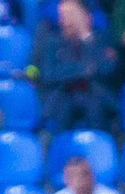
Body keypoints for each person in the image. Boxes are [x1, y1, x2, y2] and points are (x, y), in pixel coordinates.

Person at [37, 0, 116, 132]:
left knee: (93, 103)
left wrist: (86, 37)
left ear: (86, 16)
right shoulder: (52, 43)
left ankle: (99, 146)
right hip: (62, 95)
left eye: (70, 15)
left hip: (96, 96)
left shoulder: (102, 40)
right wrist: (85, 69)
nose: (64, 21)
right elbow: (50, 74)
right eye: (62, 16)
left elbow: (108, 69)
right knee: (63, 105)